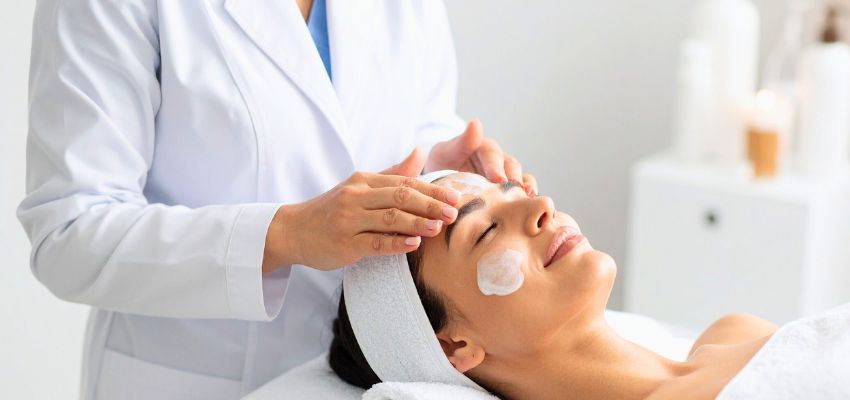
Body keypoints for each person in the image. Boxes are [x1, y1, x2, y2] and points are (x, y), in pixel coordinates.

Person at [17, 1, 536, 399]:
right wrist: (288, 235)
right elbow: (69, 233)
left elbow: (408, 122)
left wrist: (440, 167)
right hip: (197, 379)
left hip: (369, 376)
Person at [329, 172, 781, 400]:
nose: (542, 205)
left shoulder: (739, 331)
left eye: (516, 195)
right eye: (485, 232)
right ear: (452, 347)